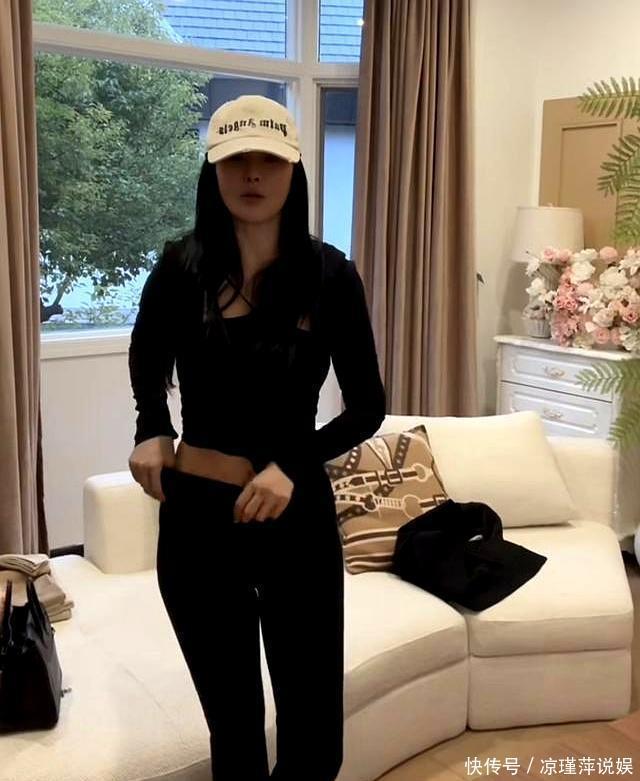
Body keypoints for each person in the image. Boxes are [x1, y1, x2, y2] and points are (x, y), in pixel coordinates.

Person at [127, 94, 386, 781]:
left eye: (268, 159)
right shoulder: (180, 268)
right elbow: (147, 354)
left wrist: (290, 465)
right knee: (235, 730)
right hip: (198, 524)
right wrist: (152, 425)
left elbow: (368, 407)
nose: (251, 173)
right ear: (212, 170)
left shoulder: (330, 275)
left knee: (314, 739)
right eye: (235, 159)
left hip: (295, 518)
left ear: (293, 169)